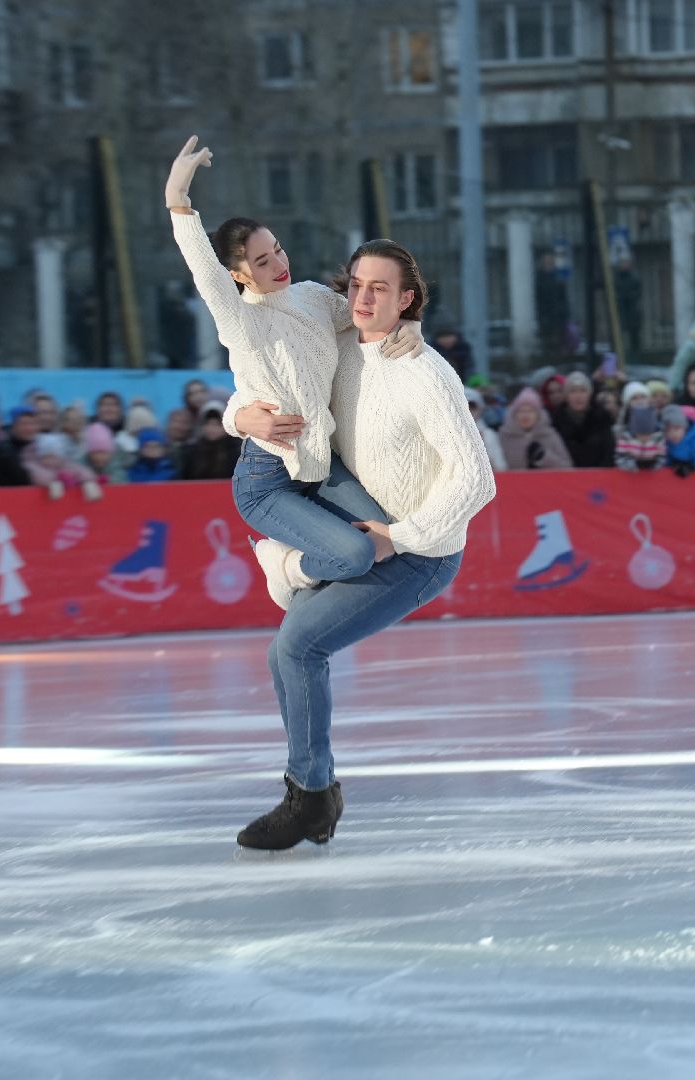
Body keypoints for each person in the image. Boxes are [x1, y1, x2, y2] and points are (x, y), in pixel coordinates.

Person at [226, 235, 494, 850]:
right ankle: (312, 793)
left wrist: (401, 537)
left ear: (408, 300)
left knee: (296, 648)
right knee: (287, 655)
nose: (363, 297)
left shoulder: (425, 373)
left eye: (380, 288)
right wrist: (240, 418)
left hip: (416, 553)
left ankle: (311, 798)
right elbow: (264, 376)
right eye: (356, 285)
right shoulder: (337, 342)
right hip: (346, 522)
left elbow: (476, 479)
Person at [166, 136, 423, 602]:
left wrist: (412, 325)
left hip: (323, 465)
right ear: (239, 275)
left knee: (388, 535)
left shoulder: (311, 297)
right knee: (356, 555)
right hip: (269, 480)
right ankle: (284, 564)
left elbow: (373, 311)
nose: (279, 264)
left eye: (278, 250)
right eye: (262, 262)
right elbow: (203, 269)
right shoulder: (240, 318)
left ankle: (304, 579)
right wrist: (178, 200)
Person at [497, 387, 574, 470]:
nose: (525, 415)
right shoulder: (504, 436)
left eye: (530, 411)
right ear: (514, 414)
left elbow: (568, 468)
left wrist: (544, 457)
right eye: (521, 411)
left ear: (538, 415)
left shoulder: (550, 435)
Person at [551, 371, 614, 467]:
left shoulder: (602, 419)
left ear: (590, 394)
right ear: (566, 396)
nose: (578, 396)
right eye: (573, 391)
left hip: (599, 478)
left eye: (583, 391)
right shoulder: (556, 421)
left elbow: (609, 454)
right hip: (566, 478)